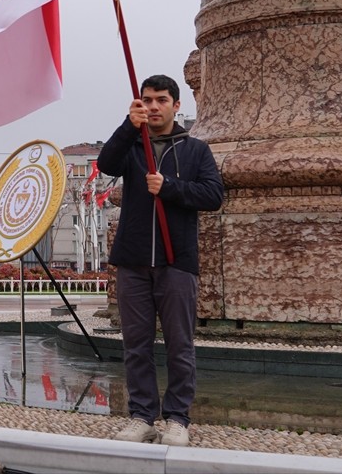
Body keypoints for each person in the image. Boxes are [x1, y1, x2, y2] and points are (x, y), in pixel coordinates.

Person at [99, 74, 224, 447]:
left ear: (176, 105)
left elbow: (213, 194)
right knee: (135, 345)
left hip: (176, 263)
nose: (154, 107)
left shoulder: (195, 150)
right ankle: (141, 416)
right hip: (134, 261)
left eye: (161, 100)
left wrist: (168, 187)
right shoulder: (133, 147)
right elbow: (106, 163)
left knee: (179, 345)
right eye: (147, 100)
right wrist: (128, 126)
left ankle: (177, 418)